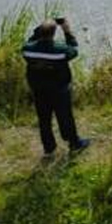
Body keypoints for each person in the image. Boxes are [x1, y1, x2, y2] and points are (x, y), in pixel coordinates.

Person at [22, 16, 89, 157]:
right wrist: (66, 30)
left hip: (38, 90)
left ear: (40, 32)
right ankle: (74, 143)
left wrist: (41, 28)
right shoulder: (60, 51)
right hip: (59, 90)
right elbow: (74, 49)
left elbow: (30, 41)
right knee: (65, 117)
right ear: (53, 34)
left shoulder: (27, 50)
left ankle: (49, 149)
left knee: (44, 120)